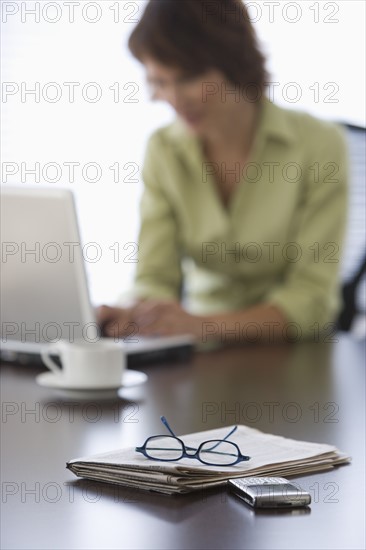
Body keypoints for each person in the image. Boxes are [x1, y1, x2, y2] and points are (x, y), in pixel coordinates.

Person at [97, 0, 348, 344]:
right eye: (158, 81)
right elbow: (155, 275)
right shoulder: (164, 150)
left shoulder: (319, 145)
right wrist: (134, 311)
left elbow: (312, 298)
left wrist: (205, 326)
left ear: (233, 62)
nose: (173, 98)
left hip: (294, 355)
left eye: (187, 78)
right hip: (199, 356)